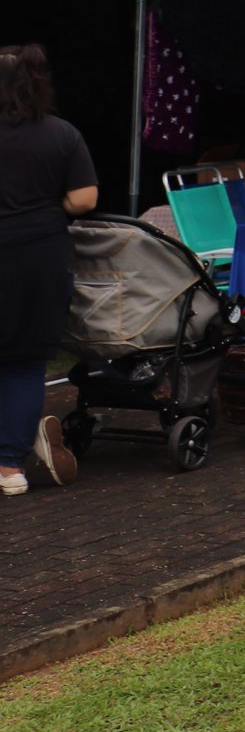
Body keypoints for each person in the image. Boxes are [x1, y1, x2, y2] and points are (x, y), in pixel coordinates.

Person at [0, 47, 92, 495]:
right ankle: (9, 469)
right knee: (24, 363)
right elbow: (84, 200)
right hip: (40, 257)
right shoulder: (62, 134)